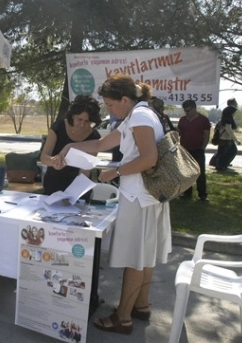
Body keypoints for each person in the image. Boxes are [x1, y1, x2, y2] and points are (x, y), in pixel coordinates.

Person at [52, 74, 170, 335]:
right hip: (149, 196)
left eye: (111, 104)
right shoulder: (138, 115)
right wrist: (70, 146)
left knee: (134, 259)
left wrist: (116, 172)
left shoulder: (139, 117)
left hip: (139, 196)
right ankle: (140, 306)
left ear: (125, 99)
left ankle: (123, 318)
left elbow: (149, 158)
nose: (108, 110)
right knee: (145, 256)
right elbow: (103, 143)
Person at [40, 94, 102, 196]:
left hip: (79, 189)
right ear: (72, 115)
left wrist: (73, 195)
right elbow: (44, 157)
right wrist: (54, 162)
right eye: (79, 119)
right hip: (53, 185)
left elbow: (85, 171)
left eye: (87, 121)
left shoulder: (94, 137)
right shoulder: (58, 127)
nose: (82, 124)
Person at [177, 100, 210, 201]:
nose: (187, 112)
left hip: (198, 150)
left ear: (194, 108)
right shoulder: (182, 120)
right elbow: (178, 132)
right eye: (185, 111)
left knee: (200, 173)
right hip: (185, 150)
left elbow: (207, 135)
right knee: (186, 173)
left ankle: (202, 194)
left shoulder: (203, 120)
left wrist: (202, 148)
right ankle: (187, 192)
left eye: (189, 110)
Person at [216, 98, 241, 171]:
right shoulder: (228, 120)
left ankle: (221, 165)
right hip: (226, 139)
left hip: (226, 139)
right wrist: (236, 140)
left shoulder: (226, 118)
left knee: (223, 153)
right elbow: (229, 131)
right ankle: (221, 166)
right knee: (230, 152)